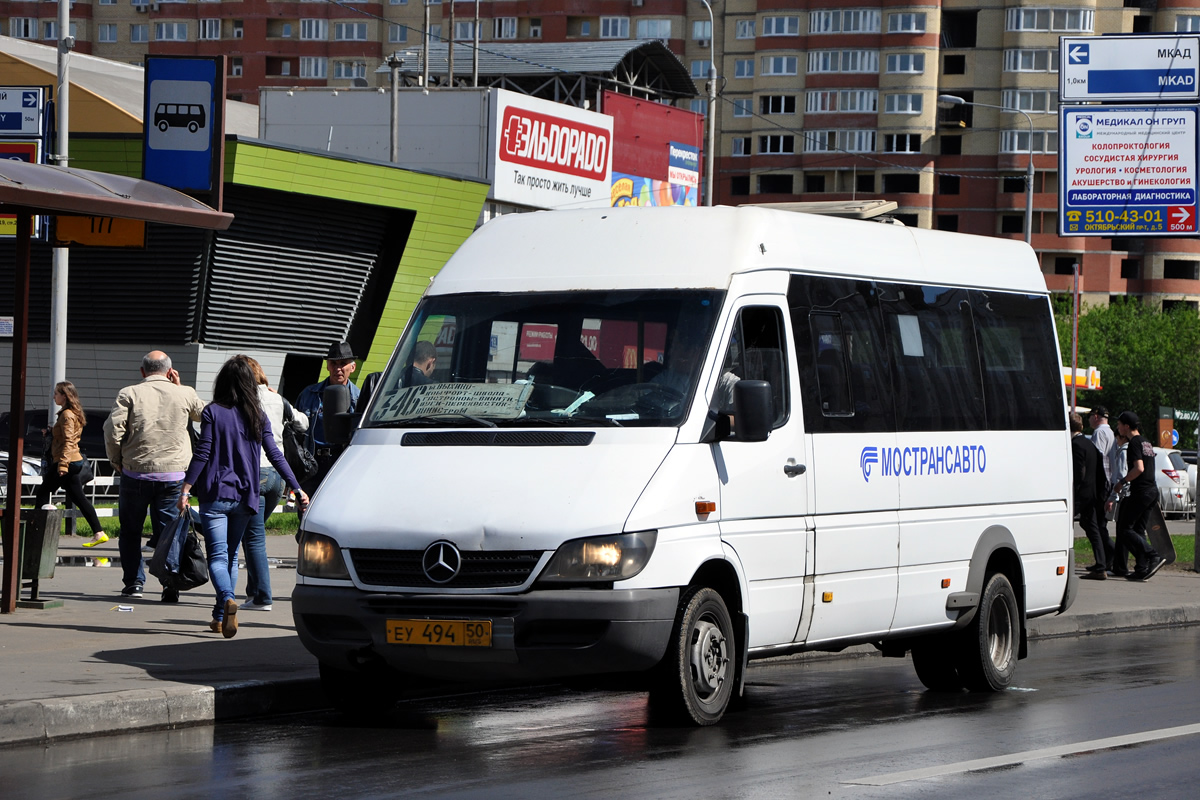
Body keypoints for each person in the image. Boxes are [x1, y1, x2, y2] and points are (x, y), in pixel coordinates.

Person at [180, 356, 308, 637]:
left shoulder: (213, 412)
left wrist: (187, 488)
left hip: (216, 494)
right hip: (246, 496)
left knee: (217, 556)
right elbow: (275, 454)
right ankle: (218, 615)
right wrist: (296, 487)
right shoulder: (258, 415)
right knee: (230, 556)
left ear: (223, 382)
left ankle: (227, 598)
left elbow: (202, 453)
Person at [103, 351, 205, 601]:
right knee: (170, 532)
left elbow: (112, 429)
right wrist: (179, 388)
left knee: (130, 531)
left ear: (142, 372)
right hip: (172, 476)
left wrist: (117, 460)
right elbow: (204, 416)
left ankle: (134, 583)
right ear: (170, 372)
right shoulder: (185, 393)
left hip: (135, 473)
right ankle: (170, 585)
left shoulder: (129, 393)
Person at [241, 357, 308, 612]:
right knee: (252, 534)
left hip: (255, 472)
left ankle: (262, 597)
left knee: (254, 538)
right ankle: (253, 592)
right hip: (278, 477)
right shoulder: (278, 399)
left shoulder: (242, 400)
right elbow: (303, 423)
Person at [34, 382, 107, 546]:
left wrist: (63, 465)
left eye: (56, 394)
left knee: (43, 492)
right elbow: (67, 435)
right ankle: (99, 532)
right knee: (79, 498)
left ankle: (35, 535)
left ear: (64, 396)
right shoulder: (70, 413)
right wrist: (51, 432)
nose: (54, 397)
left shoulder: (67, 414)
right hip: (71, 460)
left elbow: (69, 440)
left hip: (66, 460)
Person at [1105, 411, 1167, 582]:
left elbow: (1138, 468)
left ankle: (1152, 555)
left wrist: (1122, 482)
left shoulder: (1133, 443)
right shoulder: (1146, 442)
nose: (1118, 428)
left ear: (1126, 426)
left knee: (1125, 529)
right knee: (1138, 530)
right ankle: (1142, 568)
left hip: (1140, 492)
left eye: (1119, 425)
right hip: (1151, 491)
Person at [294, 341, 361, 495]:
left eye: (343, 363)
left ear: (353, 367)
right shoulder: (308, 394)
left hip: (342, 462)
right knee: (306, 510)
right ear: (328, 366)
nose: (338, 368)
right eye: (333, 363)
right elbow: (293, 431)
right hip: (311, 462)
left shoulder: (360, 399)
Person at [1071, 412, 1112, 580]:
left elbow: (1079, 471)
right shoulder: (1090, 444)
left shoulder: (1076, 445)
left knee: (1066, 524)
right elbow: (1100, 470)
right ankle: (1101, 564)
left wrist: (1075, 490)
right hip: (1093, 493)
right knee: (1091, 526)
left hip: (1081, 493)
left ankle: (1101, 564)